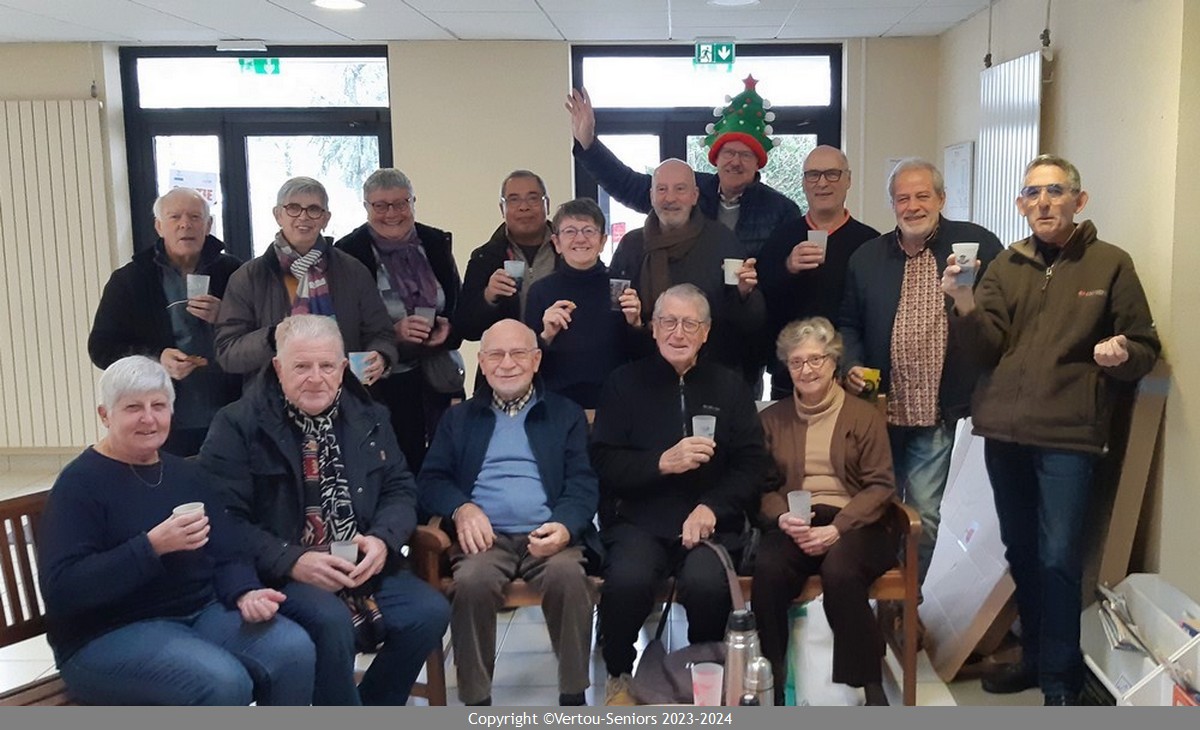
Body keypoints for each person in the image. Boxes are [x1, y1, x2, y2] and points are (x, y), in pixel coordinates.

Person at [942, 155, 1160, 706]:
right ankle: (1035, 660)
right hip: (1005, 432)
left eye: (1055, 191)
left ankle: (1062, 681)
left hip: (1068, 434)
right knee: (1021, 551)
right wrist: (963, 302)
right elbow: (984, 348)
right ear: (1021, 205)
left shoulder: (1110, 264)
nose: (1043, 202)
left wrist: (1123, 351)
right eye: (1033, 193)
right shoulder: (1005, 265)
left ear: (1078, 201)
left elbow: (1144, 345)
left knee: (1060, 558)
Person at [199, 314, 450, 706]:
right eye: (301, 366)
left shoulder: (370, 416)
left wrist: (382, 540)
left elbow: (400, 488)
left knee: (430, 611)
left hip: (361, 563)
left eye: (327, 366)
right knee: (331, 621)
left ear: (343, 367)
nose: (316, 378)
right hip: (281, 573)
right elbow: (225, 520)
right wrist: (292, 561)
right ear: (278, 368)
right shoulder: (237, 424)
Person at [38, 355, 314, 705]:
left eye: (158, 406)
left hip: (197, 613)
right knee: (224, 682)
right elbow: (63, 588)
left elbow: (229, 549)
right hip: (107, 632)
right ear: (105, 415)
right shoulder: (80, 484)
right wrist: (151, 547)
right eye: (133, 408)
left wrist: (245, 591)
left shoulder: (185, 474)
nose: (148, 418)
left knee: (292, 650)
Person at [590, 284, 768, 706]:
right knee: (627, 580)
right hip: (639, 519)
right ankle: (619, 673)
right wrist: (660, 463)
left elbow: (752, 465)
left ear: (705, 332)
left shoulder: (729, 386)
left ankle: (702, 672)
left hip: (709, 521)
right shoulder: (623, 384)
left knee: (706, 584)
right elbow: (604, 461)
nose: (678, 333)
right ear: (653, 328)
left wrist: (712, 507)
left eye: (690, 323)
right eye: (668, 322)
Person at [838, 157, 1003, 586]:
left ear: (942, 199)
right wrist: (851, 364)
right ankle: (878, 597)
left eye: (922, 196)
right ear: (892, 204)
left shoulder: (977, 246)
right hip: (880, 412)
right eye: (902, 198)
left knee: (924, 517)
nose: (912, 206)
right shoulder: (867, 258)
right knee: (877, 510)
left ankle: (910, 601)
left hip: (939, 412)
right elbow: (848, 324)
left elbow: (1002, 317)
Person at [419, 319, 599, 706]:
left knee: (569, 576)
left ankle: (573, 697)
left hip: (548, 535)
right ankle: (477, 702)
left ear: (536, 360)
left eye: (518, 353)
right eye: (496, 355)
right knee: (472, 583)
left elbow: (583, 482)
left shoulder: (564, 414)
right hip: (485, 540)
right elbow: (431, 480)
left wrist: (565, 526)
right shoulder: (458, 419)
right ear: (482, 363)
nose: (507, 363)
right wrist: (461, 508)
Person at [752, 318, 897, 706]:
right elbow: (760, 487)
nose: (807, 370)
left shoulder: (863, 416)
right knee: (768, 569)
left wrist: (838, 528)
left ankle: (869, 685)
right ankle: (774, 682)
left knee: (841, 571)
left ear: (834, 361)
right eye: (797, 362)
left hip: (857, 522)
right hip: (796, 522)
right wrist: (781, 517)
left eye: (816, 359)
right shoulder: (771, 420)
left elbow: (881, 485)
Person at [566, 77, 801, 258]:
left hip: (748, 306)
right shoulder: (688, 189)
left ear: (758, 162)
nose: (735, 162)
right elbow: (627, 184)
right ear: (716, 158)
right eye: (729, 153)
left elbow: (784, 272)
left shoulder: (782, 210)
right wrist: (589, 144)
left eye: (746, 155)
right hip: (687, 304)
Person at [88, 188, 243, 456]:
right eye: (175, 217)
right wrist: (156, 359)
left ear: (208, 225)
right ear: (159, 226)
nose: (185, 224)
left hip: (231, 412)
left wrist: (226, 315)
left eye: (195, 217)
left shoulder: (235, 273)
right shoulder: (130, 280)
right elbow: (101, 348)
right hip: (160, 418)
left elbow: (261, 333)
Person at [334, 168, 463, 472]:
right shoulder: (347, 253)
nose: (391, 213)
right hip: (381, 381)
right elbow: (344, 326)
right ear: (366, 207)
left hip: (438, 374)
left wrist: (448, 327)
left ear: (413, 202)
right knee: (396, 465)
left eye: (401, 203)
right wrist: (392, 335)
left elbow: (457, 305)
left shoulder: (435, 242)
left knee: (445, 462)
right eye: (380, 205)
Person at [214, 176, 397, 382]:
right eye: (293, 208)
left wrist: (381, 356)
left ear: (325, 219)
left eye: (314, 209)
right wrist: (273, 337)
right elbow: (227, 353)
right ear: (278, 215)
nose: (303, 216)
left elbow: (381, 333)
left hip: (343, 393)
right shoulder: (248, 277)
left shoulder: (353, 271)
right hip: (273, 397)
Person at [608, 159, 765, 388]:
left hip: (711, 378)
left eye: (680, 189)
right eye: (662, 189)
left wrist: (745, 295)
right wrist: (635, 324)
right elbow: (613, 319)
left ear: (694, 196)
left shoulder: (722, 241)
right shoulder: (631, 246)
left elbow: (749, 324)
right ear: (651, 196)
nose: (670, 198)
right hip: (646, 376)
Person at [758, 147, 881, 398]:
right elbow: (761, 302)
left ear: (848, 179)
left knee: (858, 425)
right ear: (804, 183)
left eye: (832, 174)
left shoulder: (871, 243)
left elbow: (877, 313)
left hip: (854, 375)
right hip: (792, 376)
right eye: (813, 175)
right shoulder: (781, 238)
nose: (822, 183)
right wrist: (787, 268)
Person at [523, 198, 648, 408]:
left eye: (589, 231)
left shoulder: (621, 287)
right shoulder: (540, 291)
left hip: (613, 404)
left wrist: (635, 324)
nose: (580, 239)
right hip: (557, 407)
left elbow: (640, 359)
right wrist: (546, 336)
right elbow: (527, 363)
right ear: (557, 243)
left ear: (603, 241)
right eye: (570, 231)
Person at [454, 170, 560, 341]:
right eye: (514, 199)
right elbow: (466, 329)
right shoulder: (484, 257)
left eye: (533, 198)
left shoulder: (568, 251)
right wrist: (488, 296)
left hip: (563, 353)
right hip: (508, 355)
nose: (524, 207)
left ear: (547, 204)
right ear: (502, 209)